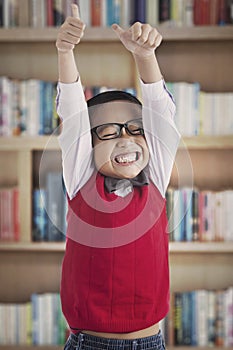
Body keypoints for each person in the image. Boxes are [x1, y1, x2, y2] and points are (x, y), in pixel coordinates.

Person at [56, 3, 180, 350]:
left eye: (135, 130)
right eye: (108, 131)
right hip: (89, 344)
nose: (126, 138)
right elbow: (72, 115)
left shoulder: (154, 177)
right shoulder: (82, 179)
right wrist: (66, 53)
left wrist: (144, 56)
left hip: (151, 343)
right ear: (88, 145)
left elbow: (161, 113)